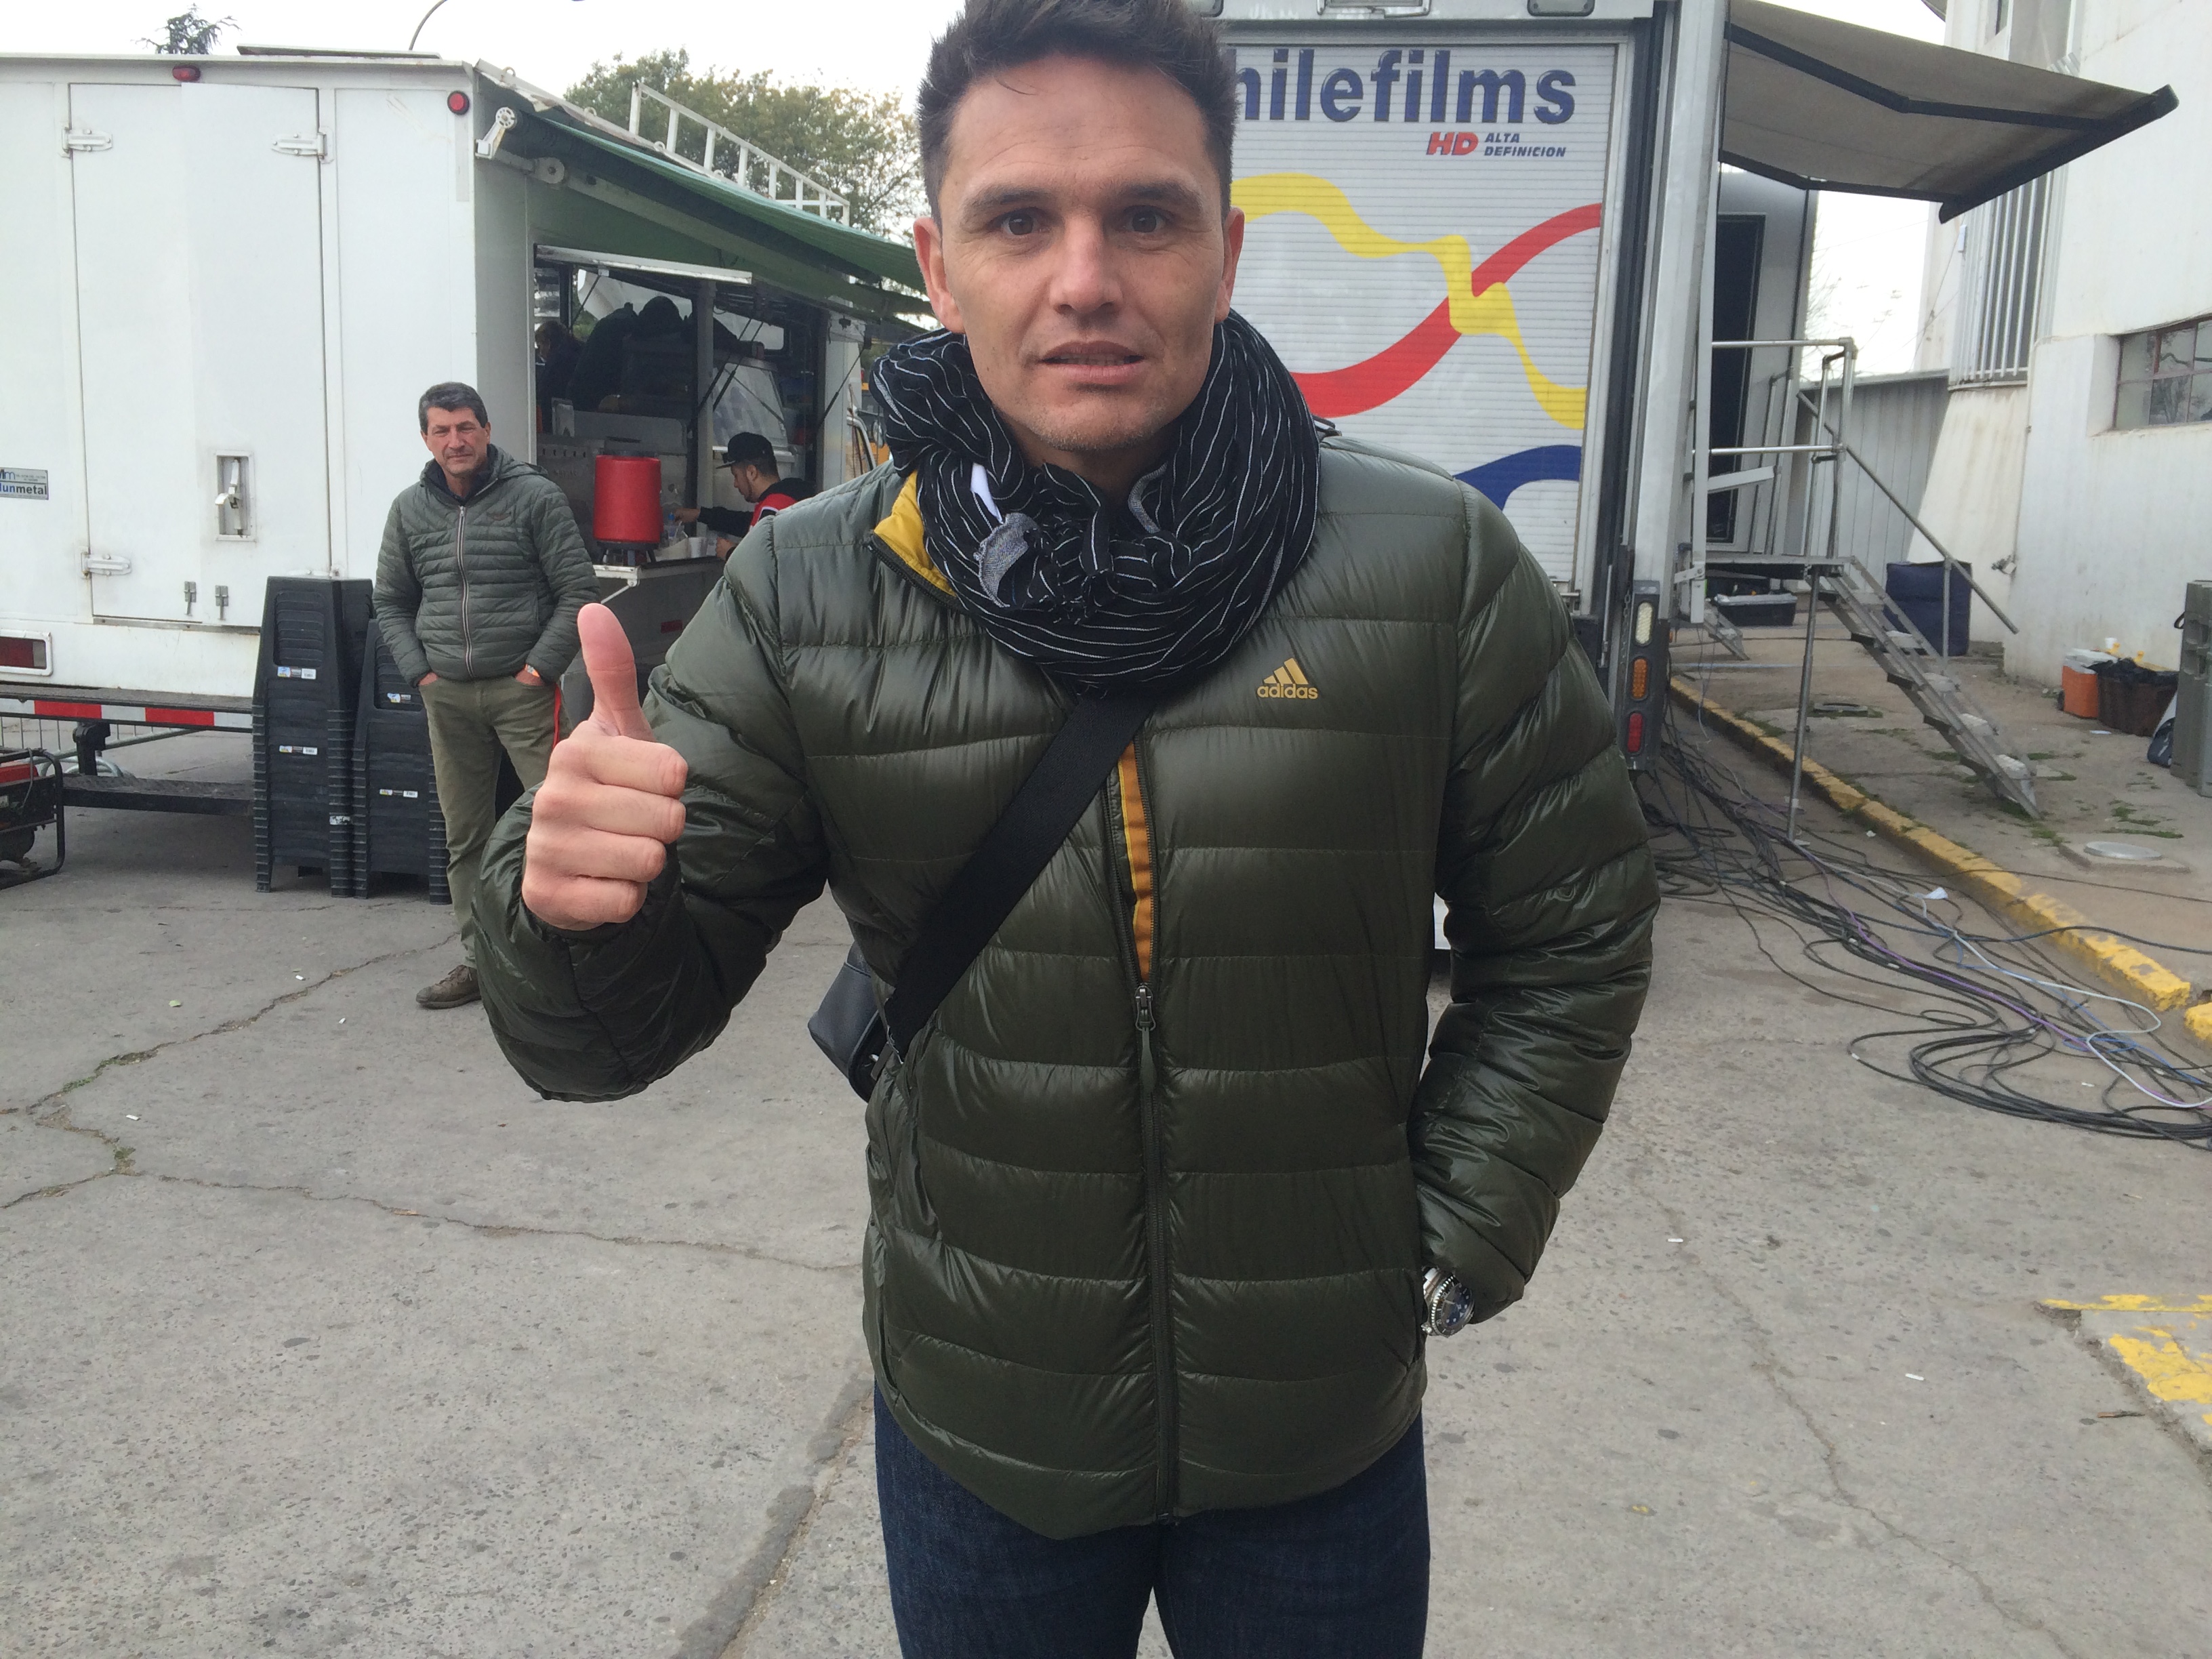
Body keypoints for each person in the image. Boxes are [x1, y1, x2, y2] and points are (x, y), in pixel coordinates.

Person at [473, 0, 1656, 1651]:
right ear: (938, 269)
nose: (1083, 277)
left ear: (1227, 250)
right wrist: (567, 908)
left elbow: (1574, 928)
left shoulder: (1431, 567)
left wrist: (1451, 1225)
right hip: (983, 1436)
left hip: (1319, 1443)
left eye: (1144, 216)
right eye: (1018, 219)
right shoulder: (811, 587)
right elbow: (604, 1040)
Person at [373, 382, 598, 1011]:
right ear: (425, 439)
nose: (456, 441)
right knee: (466, 835)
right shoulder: (410, 510)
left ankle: (572, 957)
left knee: (558, 825)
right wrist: (420, 672)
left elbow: (576, 589)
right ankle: (482, 961)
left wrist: (539, 670)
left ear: (488, 430)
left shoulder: (533, 498)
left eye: (466, 426)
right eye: (441, 430)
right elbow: (390, 599)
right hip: (447, 696)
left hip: (523, 693)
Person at [672, 430, 813, 554]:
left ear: (752, 472)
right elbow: (745, 522)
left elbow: (762, 567)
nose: (735, 484)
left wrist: (730, 553)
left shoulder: (773, 506)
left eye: (736, 476)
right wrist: (700, 514)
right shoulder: (792, 499)